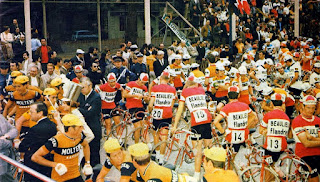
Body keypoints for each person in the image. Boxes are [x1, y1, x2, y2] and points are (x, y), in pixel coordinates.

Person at [172, 76, 213, 180]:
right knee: (208, 148)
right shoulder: (201, 90)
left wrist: (175, 126)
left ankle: (196, 175)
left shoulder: (185, 92)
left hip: (196, 121)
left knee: (197, 150)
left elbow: (180, 110)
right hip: (207, 119)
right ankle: (210, 171)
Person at [32, 114, 92, 182]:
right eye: (79, 127)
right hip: (60, 178)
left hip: (76, 176)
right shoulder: (56, 140)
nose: (82, 129)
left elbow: (86, 145)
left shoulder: (79, 136)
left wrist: (87, 162)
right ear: (70, 128)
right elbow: (35, 157)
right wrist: (55, 164)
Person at [213, 86, 258, 157]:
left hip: (231, 136)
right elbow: (253, 115)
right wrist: (246, 125)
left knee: (228, 155)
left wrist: (223, 132)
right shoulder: (245, 106)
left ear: (227, 95)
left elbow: (216, 122)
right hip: (244, 134)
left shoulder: (226, 108)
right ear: (239, 95)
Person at [19, 102, 57, 182]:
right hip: (48, 162)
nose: (29, 114)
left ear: (40, 113)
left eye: (31, 112)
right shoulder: (53, 125)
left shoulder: (34, 129)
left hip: (34, 165)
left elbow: (23, 146)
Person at [148, 71, 177, 165]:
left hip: (157, 114)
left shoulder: (155, 88)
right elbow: (172, 105)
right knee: (164, 137)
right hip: (167, 114)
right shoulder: (172, 89)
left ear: (160, 79)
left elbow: (151, 104)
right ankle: (161, 157)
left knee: (156, 134)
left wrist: (149, 111)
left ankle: (156, 154)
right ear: (168, 79)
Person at [292, 95, 320, 182]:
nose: (311, 110)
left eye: (313, 108)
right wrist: (315, 140)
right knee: (314, 174)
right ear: (302, 107)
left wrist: (311, 138)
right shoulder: (297, 121)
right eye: (308, 108)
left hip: (318, 153)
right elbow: (306, 144)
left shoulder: (317, 120)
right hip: (304, 154)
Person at [78, 77, 102, 171]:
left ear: (90, 86)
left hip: (93, 128)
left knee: (94, 152)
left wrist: (78, 109)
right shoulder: (81, 95)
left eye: (83, 87)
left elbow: (90, 113)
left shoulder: (96, 97)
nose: (82, 90)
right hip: (83, 128)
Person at [123, 73, 149, 144]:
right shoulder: (131, 84)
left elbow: (147, 100)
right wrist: (135, 95)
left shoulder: (144, 88)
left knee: (143, 125)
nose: (142, 84)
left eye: (144, 83)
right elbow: (124, 94)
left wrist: (146, 98)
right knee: (138, 127)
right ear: (138, 79)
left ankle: (147, 144)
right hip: (131, 106)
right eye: (141, 82)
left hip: (140, 106)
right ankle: (136, 145)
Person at [0, 114, 18, 182]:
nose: (1, 108)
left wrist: (7, 136)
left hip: (7, 160)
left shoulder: (1, 117)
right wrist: (10, 143)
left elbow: (14, 130)